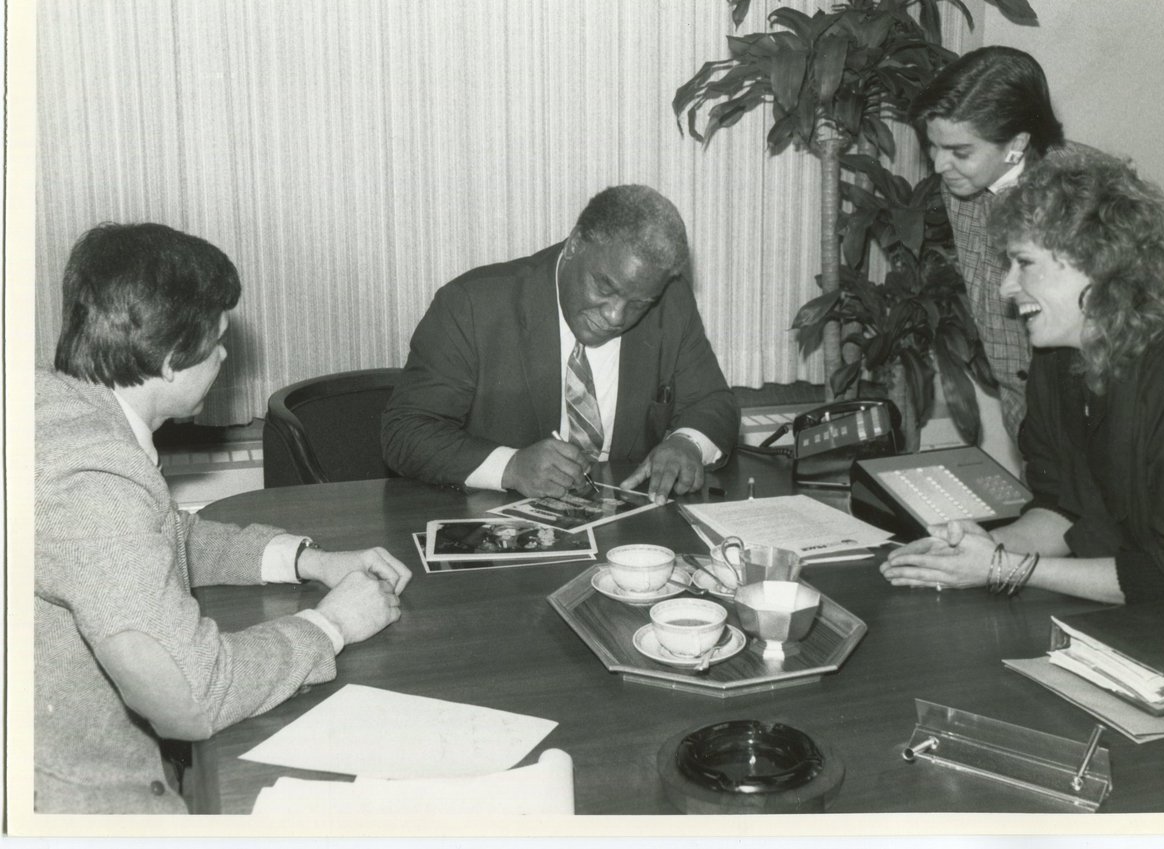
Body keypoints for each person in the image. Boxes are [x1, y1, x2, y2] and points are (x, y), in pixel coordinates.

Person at [35, 223, 413, 813]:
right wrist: (330, 625)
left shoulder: (52, 405)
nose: (224, 355)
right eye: (215, 343)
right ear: (166, 362)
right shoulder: (96, 479)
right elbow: (192, 696)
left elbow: (160, 533)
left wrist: (307, 558)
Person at [880, 151, 1164, 605]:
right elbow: (1062, 508)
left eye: (1024, 263)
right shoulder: (1059, 359)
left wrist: (1008, 568)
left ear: (1098, 264)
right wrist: (979, 552)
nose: (1006, 287)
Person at [381, 184, 738, 504]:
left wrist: (685, 443)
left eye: (639, 304)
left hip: (626, 537)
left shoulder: (669, 302)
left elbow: (713, 402)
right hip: (498, 536)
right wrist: (511, 466)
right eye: (604, 287)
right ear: (573, 246)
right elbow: (406, 430)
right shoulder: (472, 306)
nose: (616, 316)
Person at [909, 45, 1072, 440]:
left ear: (1016, 144)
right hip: (1021, 410)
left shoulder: (1078, 196)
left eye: (959, 152)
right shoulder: (963, 186)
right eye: (933, 145)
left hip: (1080, 413)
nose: (938, 165)